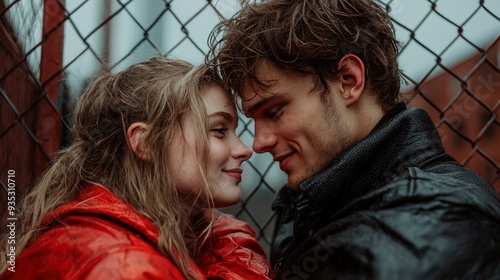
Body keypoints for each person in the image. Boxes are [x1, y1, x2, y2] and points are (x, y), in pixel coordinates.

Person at [207, 0, 500, 279]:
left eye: (274, 111)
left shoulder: (436, 218)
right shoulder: (326, 209)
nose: (258, 143)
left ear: (348, 80)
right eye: (253, 120)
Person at [0, 57, 272, 279]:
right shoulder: (125, 267)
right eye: (219, 130)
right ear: (145, 142)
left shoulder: (106, 239)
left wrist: (223, 244)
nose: (245, 149)